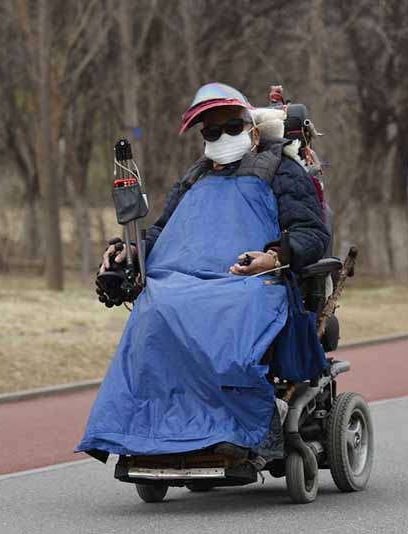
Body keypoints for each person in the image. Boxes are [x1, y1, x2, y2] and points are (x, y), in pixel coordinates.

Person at [78, 82, 330, 466]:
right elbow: (164, 232)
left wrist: (274, 255)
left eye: (231, 127)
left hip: (254, 281)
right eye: (211, 131)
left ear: (253, 130)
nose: (222, 137)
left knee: (229, 311)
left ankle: (247, 425)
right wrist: (132, 250)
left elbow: (312, 234)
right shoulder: (194, 178)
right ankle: (149, 431)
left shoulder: (283, 171)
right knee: (153, 306)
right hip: (184, 279)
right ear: (202, 138)